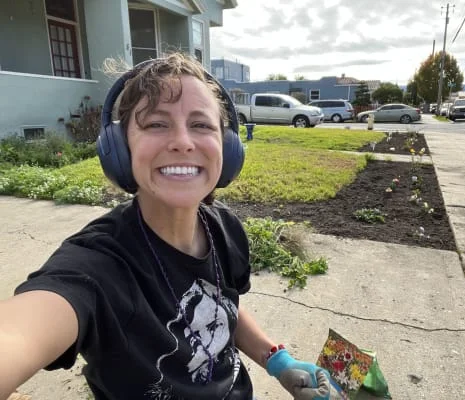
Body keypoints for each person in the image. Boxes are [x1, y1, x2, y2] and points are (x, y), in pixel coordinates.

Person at [0, 52, 330, 400]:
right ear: (120, 149)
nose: (183, 141)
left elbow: (225, 306)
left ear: (228, 149)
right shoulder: (98, 266)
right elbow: (21, 331)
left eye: (201, 125)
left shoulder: (226, 230)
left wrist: (276, 360)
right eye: (157, 124)